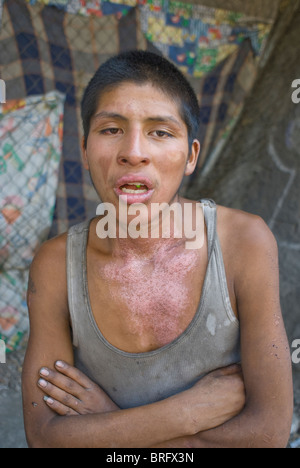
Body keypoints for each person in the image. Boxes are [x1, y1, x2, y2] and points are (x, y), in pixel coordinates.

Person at [22, 51, 293, 448]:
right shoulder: (56, 265)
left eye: (160, 132)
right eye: (111, 129)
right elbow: (44, 439)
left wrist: (111, 426)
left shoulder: (243, 244)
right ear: (83, 150)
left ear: (191, 156)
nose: (134, 151)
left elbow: (268, 436)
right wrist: (187, 411)